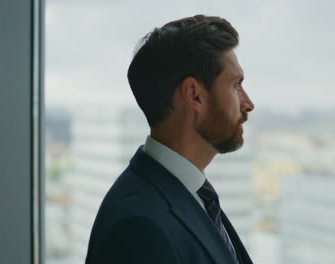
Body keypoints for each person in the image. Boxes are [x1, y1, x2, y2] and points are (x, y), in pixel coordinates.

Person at [85, 14, 255, 264]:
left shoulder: (191, 196)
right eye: (236, 85)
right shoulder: (139, 229)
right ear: (194, 95)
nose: (248, 104)